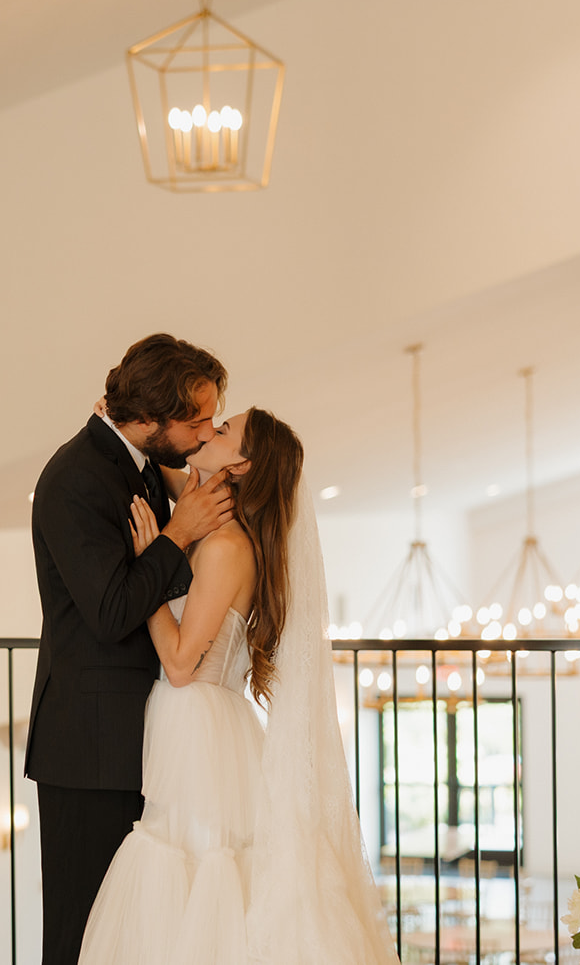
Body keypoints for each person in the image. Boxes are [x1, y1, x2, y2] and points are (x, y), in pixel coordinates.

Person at [78, 407, 398, 965]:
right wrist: (126, 414)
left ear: (243, 464)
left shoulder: (225, 548)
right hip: (198, 720)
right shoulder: (214, 521)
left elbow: (180, 664)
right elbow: (170, 468)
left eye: (223, 430)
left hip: (196, 720)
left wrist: (151, 564)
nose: (208, 431)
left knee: (197, 866)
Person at [25, 333, 237, 965]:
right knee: (82, 934)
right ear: (147, 421)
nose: (205, 432)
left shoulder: (137, 458)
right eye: (195, 420)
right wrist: (179, 532)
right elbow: (113, 610)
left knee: (135, 936)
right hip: (89, 749)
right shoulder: (73, 481)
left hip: (139, 737)